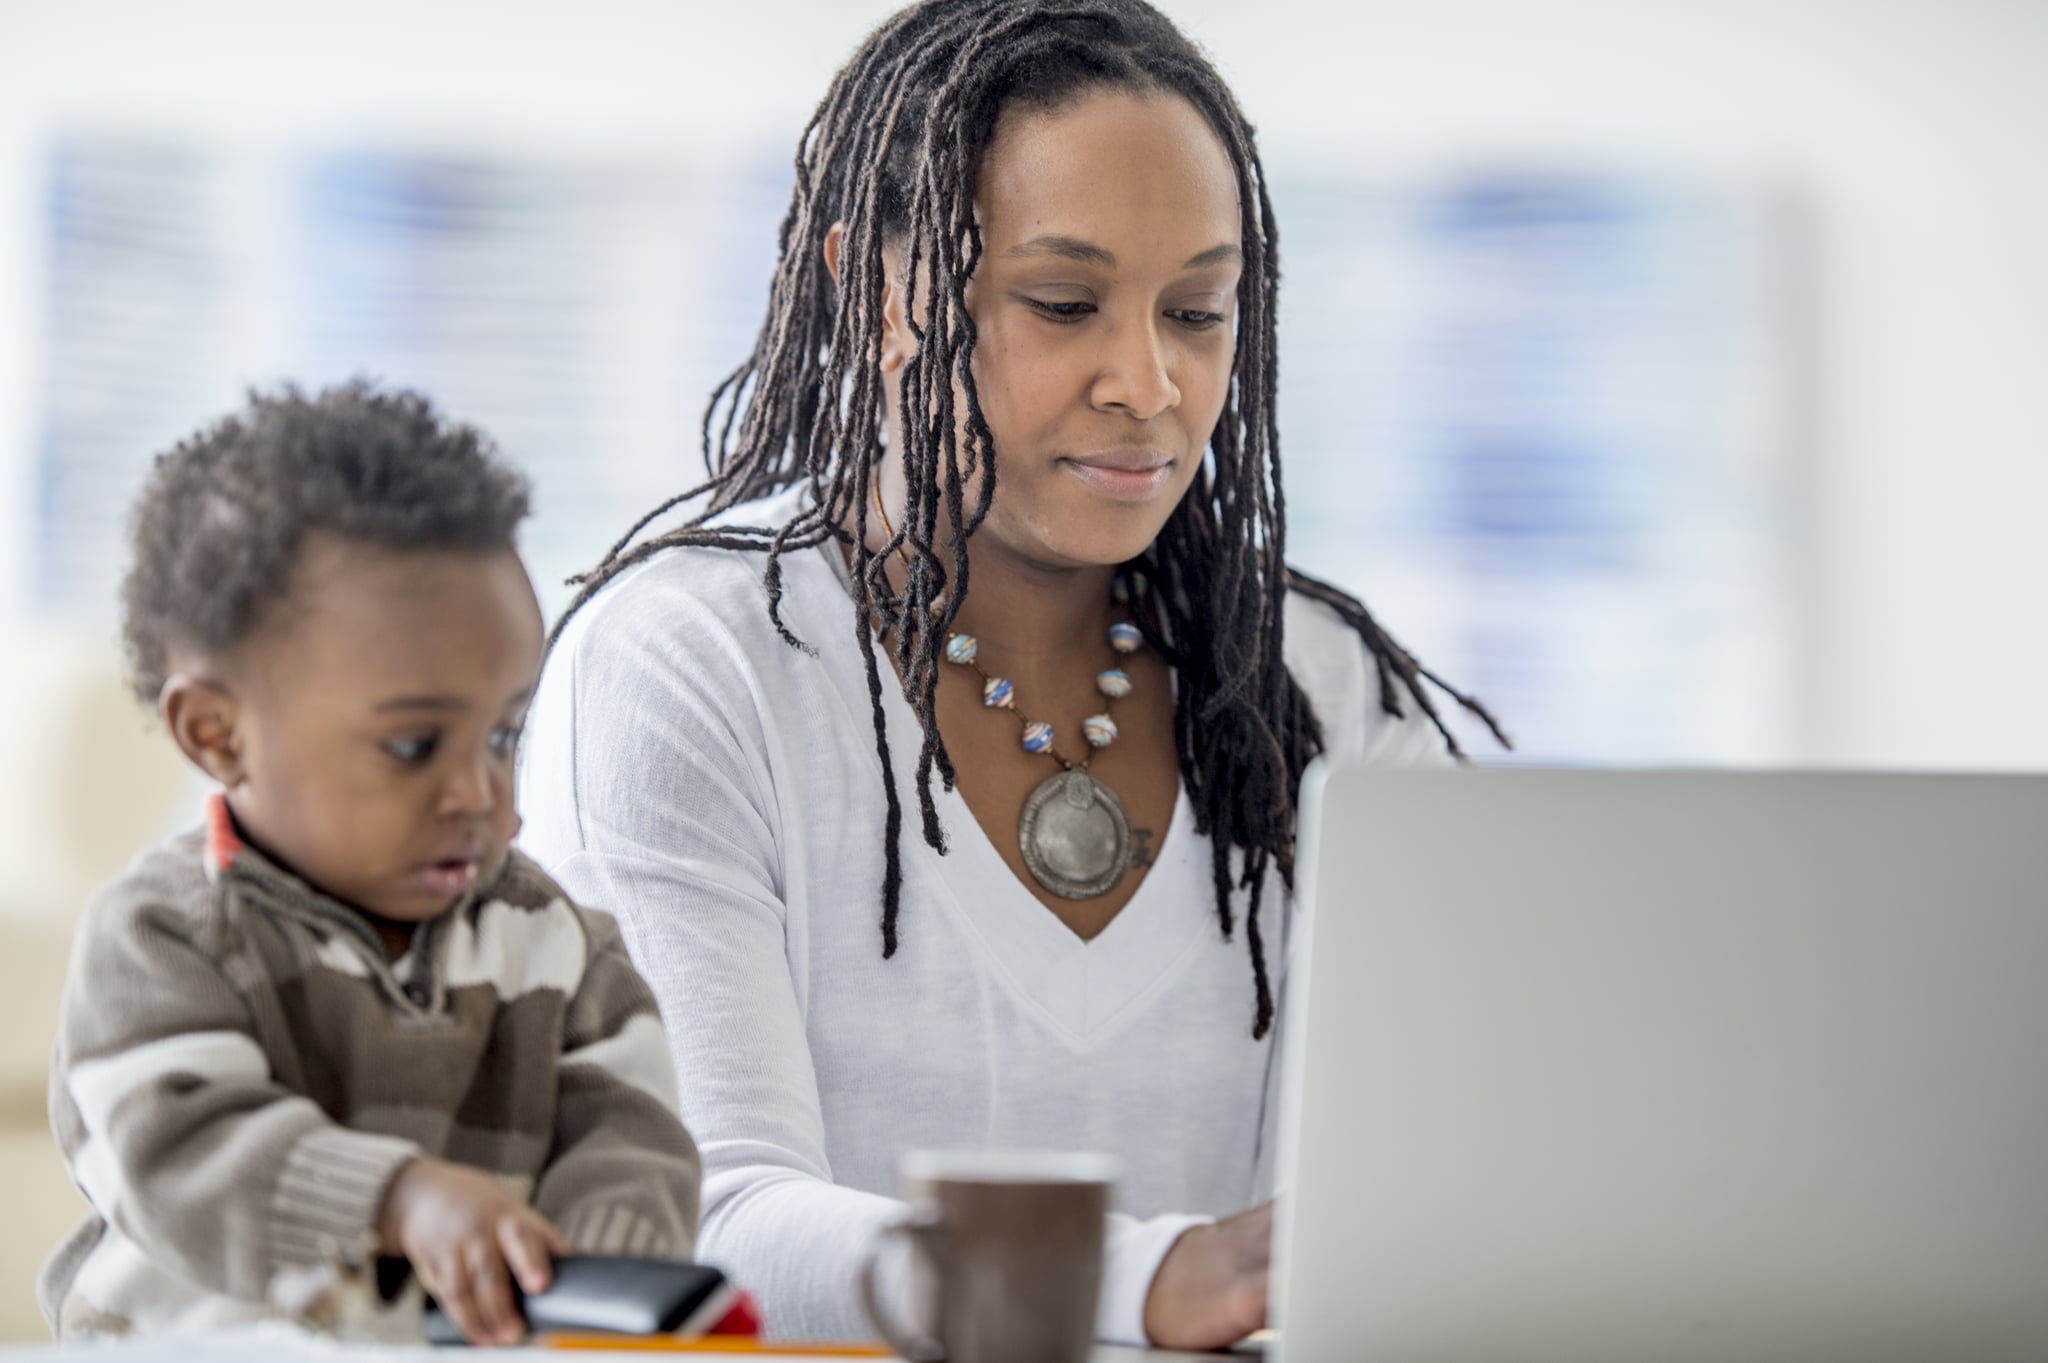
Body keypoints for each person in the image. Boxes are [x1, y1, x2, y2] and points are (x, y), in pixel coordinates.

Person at [520, 0, 1506, 1348]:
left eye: (1198, 310)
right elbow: (704, 1221)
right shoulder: (691, 666)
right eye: (1063, 302)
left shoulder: (1324, 691)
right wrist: (1153, 1278)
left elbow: (1411, 1217)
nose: (1149, 383)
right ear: (883, 295)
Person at [42, 384, 702, 1347]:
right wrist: (398, 1200)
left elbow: (631, 1138)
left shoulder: (554, 946)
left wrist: (586, 1288)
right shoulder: (159, 935)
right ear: (217, 734)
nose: (478, 790)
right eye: (412, 745)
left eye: (504, 734)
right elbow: (176, 1143)